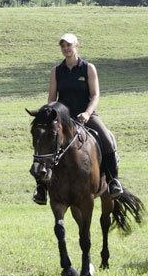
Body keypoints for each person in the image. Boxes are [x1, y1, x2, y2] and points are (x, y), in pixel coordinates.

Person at [33, 33, 124, 205]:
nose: (66, 49)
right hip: (62, 120)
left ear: (77, 46)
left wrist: (88, 113)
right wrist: (49, 116)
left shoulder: (88, 68)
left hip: (85, 116)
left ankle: (113, 181)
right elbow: (52, 98)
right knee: (43, 144)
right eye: (63, 46)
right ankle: (41, 188)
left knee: (107, 139)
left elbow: (95, 95)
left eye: (69, 45)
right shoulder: (56, 71)